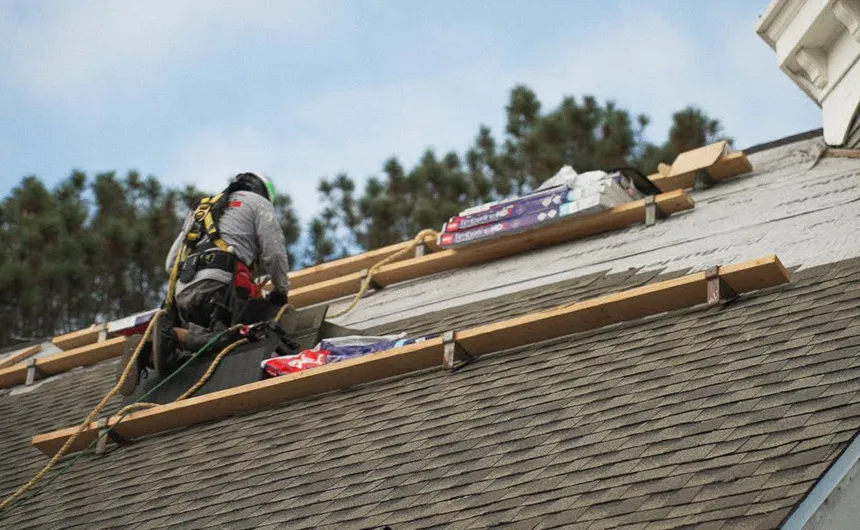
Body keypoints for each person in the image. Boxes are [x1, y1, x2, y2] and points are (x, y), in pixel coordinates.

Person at [117, 172, 291, 395]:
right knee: (242, 337)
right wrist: (281, 291)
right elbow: (274, 254)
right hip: (221, 289)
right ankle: (173, 336)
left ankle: (150, 350)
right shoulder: (258, 203)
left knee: (181, 359)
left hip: (183, 293)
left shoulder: (201, 210)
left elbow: (171, 263)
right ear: (264, 192)